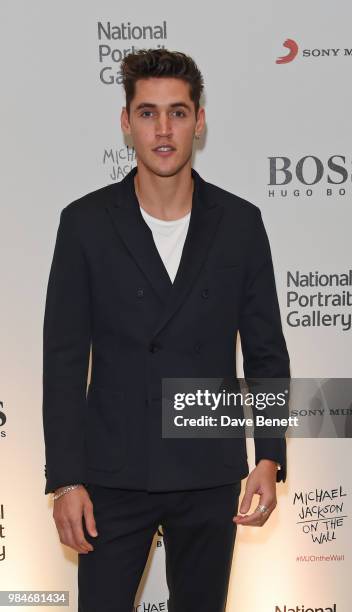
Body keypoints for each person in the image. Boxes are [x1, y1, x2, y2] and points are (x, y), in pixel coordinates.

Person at [42, 48, 290, 612]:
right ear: (126, 122)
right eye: (148, 112)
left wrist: (270, 456)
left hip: (208, 470)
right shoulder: (84, 223)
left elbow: (267, 354)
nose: (163, 129)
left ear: (199, 121)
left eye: (177, 113)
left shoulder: (240, 224)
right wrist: (66, 480)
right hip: (110, 476)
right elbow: (61, 360)